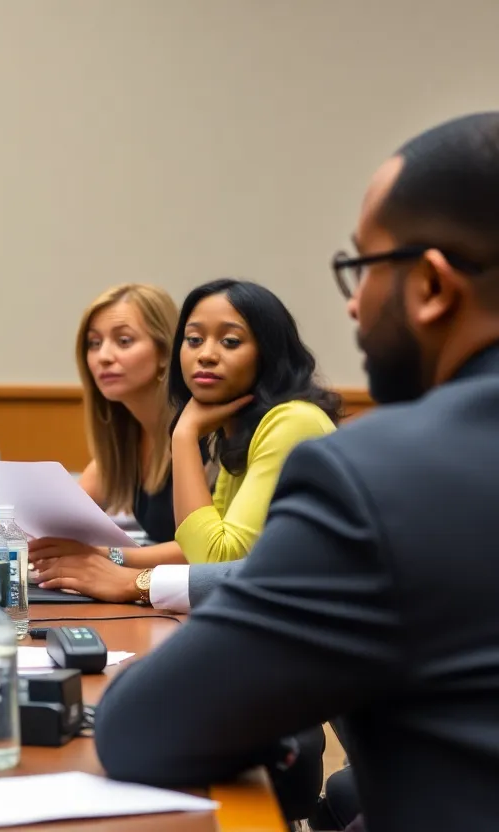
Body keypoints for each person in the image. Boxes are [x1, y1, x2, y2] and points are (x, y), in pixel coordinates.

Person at [96, 111, 499, 832]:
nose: (352, 301)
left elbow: (145, 728)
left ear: (433, 286)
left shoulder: (383, 475)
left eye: (363, 267)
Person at [30, 279, 339, 591]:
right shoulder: (236, 431)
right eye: (193, 340)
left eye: (230, 342)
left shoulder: (292, 422)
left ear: (268, 354)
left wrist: (184, 435)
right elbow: (205, 554)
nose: (206, 354)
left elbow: (213, 560)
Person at [72, 283, 184, 543]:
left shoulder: (201, 432)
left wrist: (110, 558)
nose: (104, 356)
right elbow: (60, 518)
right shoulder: (127, 434)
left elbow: (208, 553)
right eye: (94, 343)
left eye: (124, 341)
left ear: (165, 352)